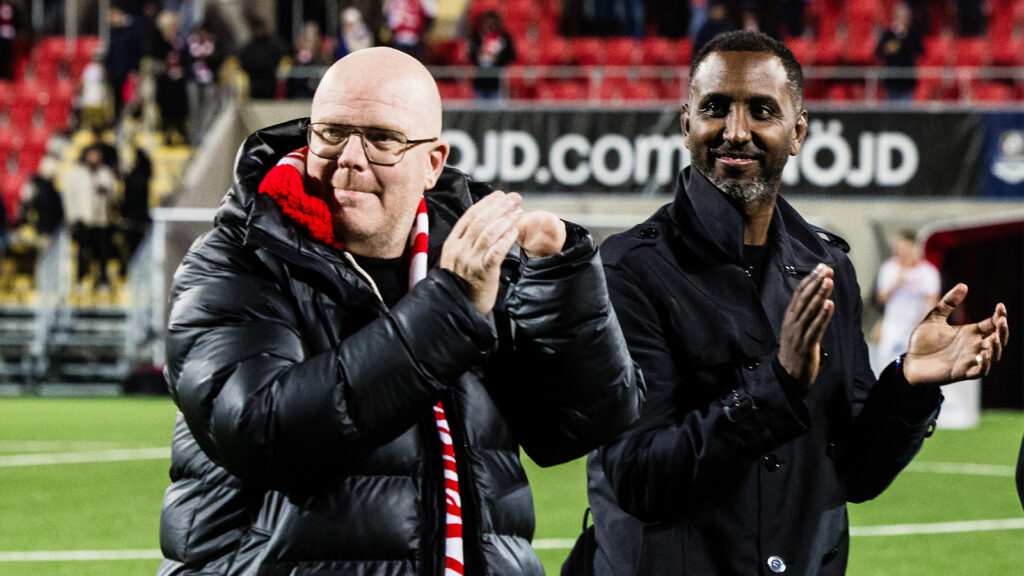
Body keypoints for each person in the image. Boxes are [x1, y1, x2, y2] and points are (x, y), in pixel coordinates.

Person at [157, 47, 642, 576]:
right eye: (331, 133)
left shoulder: (473, 257)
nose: (350, 157)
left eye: (382, 139)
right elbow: (261, 430)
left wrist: (562, 282)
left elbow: (580, 426)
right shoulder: (237, 259)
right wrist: (451, 309)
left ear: (432, 163)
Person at [585, 31, 1010, 576]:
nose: (736, 131)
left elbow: (857, 474)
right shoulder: (629, 271)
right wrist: (777, 388)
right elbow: (640, 479)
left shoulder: (829, 267)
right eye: (715, 108)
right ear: (686, 124)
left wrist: (907, 387)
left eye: (762, 111)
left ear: (797, 132)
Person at [874, 229, 941, 371]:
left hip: (914, 326)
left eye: (905, 248)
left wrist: (925, 325)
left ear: (914, 248)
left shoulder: (927, 272)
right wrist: (895, 284)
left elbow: (932, 301)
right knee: (886, 365)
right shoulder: (889, 269)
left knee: (911, 366)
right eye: (899, 248)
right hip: (893, 325)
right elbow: (881, 299)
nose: (901, 252)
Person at [64, 144, 118, 290]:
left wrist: (105, 191)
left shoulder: (105, 173)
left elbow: (114, 195)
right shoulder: (76, 174)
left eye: (97, 154)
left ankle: (103, 280)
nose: (95, 157)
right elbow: (70, 197)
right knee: (83, 251)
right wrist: (73, 217)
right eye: (92, 154)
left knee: (103, 252)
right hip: (83, 219)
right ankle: (81, 279)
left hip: (101, 220)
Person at [875, 2, 924, 101]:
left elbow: (919, 52)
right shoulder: (888, 34)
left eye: (904, 16)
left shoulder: (912, 34)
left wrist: (903, 36)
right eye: (900, 15)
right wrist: (889, 47)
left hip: (907, 82)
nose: (902, 18)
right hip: (891, 82)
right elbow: (879, 51)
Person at [468, 11, 516, 100]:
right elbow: (471, 55)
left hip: (498, 81)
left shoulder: (504, 38)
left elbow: (511, 55)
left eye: (492, 24)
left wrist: (498, 58)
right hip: (480, 81)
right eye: (487, 23)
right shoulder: (477, 38)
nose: (489, 27)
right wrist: (480, 53)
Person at [239, 16, 285, 99]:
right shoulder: (250, 46)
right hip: (253, 81)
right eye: (256, 29)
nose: (258, 31)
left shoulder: (273, 46)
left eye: (260, 28)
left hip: (269, 82)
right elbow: (244, 62)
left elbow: (275, 61)